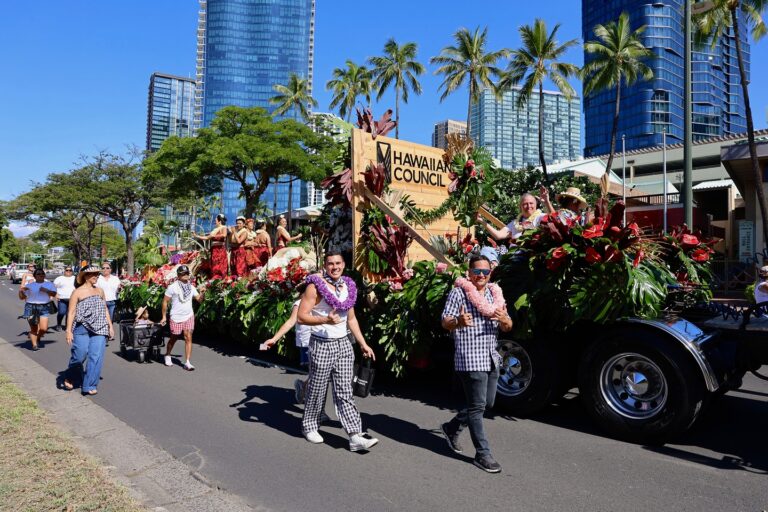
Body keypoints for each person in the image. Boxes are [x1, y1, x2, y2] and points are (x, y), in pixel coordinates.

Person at [297, 252, 378, 452]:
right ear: (325, 265)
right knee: (317, 388)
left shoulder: (348, 286)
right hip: (322, 343)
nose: (335, 267)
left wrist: (363, 343)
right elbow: (301, 316)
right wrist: (324, 320)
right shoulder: (314, 287)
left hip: (343, 344)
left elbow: (351, 319)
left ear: (343, 264)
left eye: (338, 263)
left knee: (345, 391)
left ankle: (355, 435)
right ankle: (309, 426)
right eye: (331, 263)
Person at [440, 255, 513, 473]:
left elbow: (508, 325)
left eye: (485, 272)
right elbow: (445, 322)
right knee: (478, 407)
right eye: (477, 272)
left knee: (486, 404)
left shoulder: (495, 293)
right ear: (469, 272)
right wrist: (458, 322)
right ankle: (483, 454)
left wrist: (504, 320)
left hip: (491, 357)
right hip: (470, 357)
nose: (481, 276)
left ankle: (451, 427)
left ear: (491, 273)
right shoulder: (459, 292)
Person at [63, 266, 113, 395]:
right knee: (80, 355)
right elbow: (71, 312)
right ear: (85, 276)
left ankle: (89, 384)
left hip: (100, 327)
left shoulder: (100, 291)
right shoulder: (77, 292)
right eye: (93, 274)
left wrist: (110, 326)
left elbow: (105, 309)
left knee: (96, 357)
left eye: (97, 274)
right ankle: (71, 375)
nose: (96, 276)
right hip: (82, 327)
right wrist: (68, 330)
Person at [160, 265, 204, 371]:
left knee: (188, 336)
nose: (186, 275)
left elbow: (199, 300)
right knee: (174, 336)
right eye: (183, 274)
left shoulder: (191, 287)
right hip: (175, 316)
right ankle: (168, 354)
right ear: (178, 275)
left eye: (187, 273)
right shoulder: (173, 287)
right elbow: (165, 301)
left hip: (188, 315)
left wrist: (203, 292)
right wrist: (163, 317)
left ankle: (187, 362)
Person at [479, 193, 544, 243]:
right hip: (513, 254)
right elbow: (498, 235)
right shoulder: (515, 223)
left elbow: (553, 217)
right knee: (487, 250)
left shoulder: (540, 217)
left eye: (531, 203)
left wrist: (546, 202)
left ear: (536, 205)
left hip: (528, 254)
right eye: (525, 204)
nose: (528, 206)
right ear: (520, 206)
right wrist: (482, 221)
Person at [19, 268, 57, 351]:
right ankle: (34, 345)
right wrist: (21, 291)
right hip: (31, 307)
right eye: (39, 274)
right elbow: (22, 298)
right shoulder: (30, 285)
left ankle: (38, 337)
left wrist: (46, 290)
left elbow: (54, 294)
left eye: (42, 274)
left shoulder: (49, 284)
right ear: (35, 276)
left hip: (44, 307)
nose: (41, 275)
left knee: (44, 328)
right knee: (34, 328)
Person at [195, 213, 228, 280]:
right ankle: (215, 278)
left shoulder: (223, 227)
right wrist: (197, 236)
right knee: (214, 264)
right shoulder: (215, 229)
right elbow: (207, 237)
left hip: (220, 249)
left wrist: (214, 236)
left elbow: (224, 235)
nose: (215, 222)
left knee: (220, 263)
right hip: (214, 249)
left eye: (216, 220)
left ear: (219, 221)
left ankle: (221, 278)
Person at [53, 266, 76, 331]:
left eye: (70, 270)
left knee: (70, 313)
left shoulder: (75, 278)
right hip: (62, 298)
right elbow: (53, 287)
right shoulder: (59, 278)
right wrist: (56, 294)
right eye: (67, 270)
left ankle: (68, 326)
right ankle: (59, 324)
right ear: (64, 271)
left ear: (72, 271)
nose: (68, 271)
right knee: (61, 312)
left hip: (73, 299)